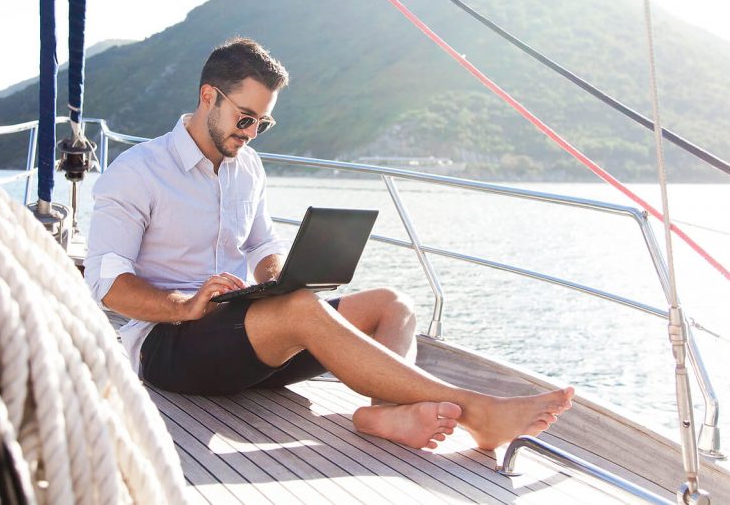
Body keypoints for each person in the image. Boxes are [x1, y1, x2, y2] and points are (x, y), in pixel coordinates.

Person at [84, 37, 573, 451]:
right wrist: (187, 305)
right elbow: (105, 284)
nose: (251, 133)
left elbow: (260, 245)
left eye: (262, 123)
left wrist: (276, 277)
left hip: (245, 337)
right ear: (209, 96)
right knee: (300, 309)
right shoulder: (136, 173)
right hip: (169, 348)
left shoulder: (247, 169)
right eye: (245, 117)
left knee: (391, 306)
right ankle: (478, 412)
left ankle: (384, 414)